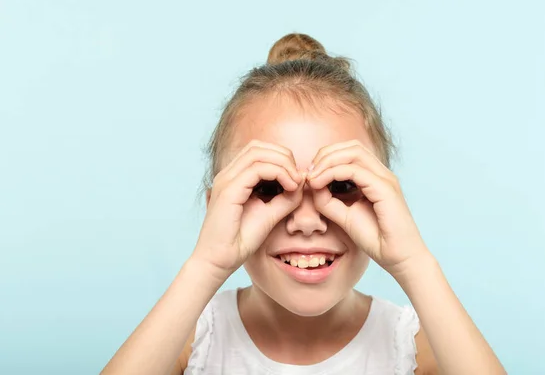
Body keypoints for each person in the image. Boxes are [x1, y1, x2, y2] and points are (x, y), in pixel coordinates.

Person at [101, 33, 506, 375]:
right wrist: (205, 266)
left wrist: (414, 262)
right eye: (268, 187)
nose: (308, 222)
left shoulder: (415, 346)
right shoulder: (193, 339)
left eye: (343, 185)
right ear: (218, 210)